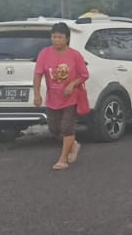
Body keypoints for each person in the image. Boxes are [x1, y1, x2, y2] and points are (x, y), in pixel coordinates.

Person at [33, 21, 90, 171]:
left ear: (67, 38)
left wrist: (72, 85)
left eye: (60, 37)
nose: (56, 40)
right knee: (54, 129)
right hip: (52, 98)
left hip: (70, 98)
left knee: (67, 128)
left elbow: (84, 75)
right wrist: (36, 94)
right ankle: (74, 144)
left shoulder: (75, 55)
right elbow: (38, 74)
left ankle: (63, 159)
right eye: (54, 37)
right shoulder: (44, 54)